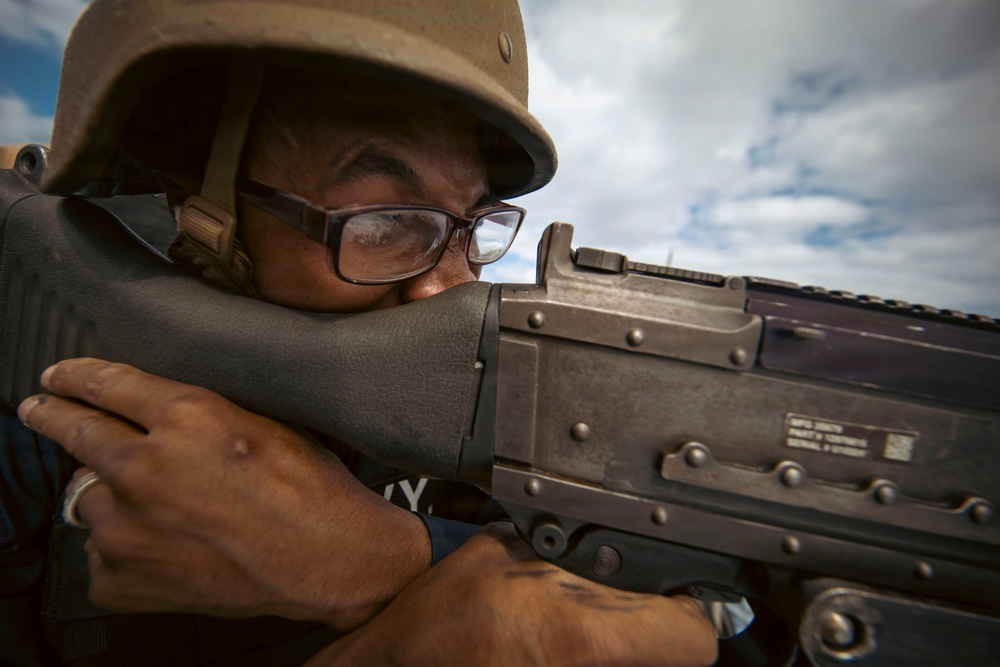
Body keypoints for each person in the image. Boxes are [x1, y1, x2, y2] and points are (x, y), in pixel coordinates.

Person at [3, 1, 719, 665]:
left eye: (472, 225)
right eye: (381, 222)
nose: (449, 286)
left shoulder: (475, 398)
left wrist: (404, 558)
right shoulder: (38, 389)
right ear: (200, 203)